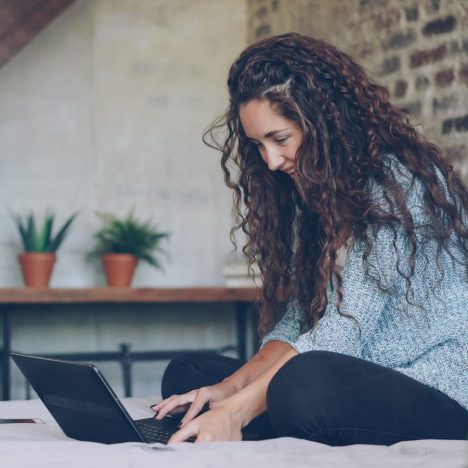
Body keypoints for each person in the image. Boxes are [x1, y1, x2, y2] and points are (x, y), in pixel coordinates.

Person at [152, 32, 468, 445]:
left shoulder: (399, 185)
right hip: (355, 374)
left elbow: (344, 333)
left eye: (279, 139)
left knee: (301, 385)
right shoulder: (320, 191)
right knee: (188, 375)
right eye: (258, 144)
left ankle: (251, 419)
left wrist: (237, 408)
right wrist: (225, 393)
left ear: (324, 123)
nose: (270, 160)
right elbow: (298, 322)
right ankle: (239, 418)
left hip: (436, 387)